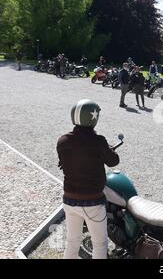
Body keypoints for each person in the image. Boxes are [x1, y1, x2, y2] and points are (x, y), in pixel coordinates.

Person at [57, 99, 120, 259]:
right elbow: (113, 161)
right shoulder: (98, 141)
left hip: (69, 199)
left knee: (72, 241)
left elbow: (72, 159)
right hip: (92, 201)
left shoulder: (62, 141)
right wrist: (107, 149)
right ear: (94, 118)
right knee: (100, 244)